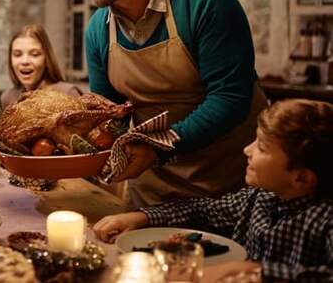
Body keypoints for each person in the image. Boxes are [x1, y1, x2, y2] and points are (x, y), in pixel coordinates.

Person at [65, 0, 267, 207]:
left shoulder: (203, 0)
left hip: (228, 187)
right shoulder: (98, 30)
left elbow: (230, 99)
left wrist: (158, 147)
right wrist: (79, 140)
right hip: (151, 191)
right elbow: (112, 114)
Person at [93, 99, 333, 282]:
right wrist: (143, 217)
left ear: (301, 178)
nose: (247, 150)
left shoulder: (325, 218)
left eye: (262, 147)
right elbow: (205, 211)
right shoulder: (262, 197)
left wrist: (253, 270)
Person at [0, 23, 82, 110]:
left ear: (46, 59)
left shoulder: (67, 93)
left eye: (34, 54)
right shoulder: (8, 98)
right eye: (17, 54)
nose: (25, 61)